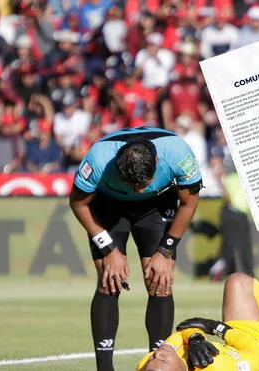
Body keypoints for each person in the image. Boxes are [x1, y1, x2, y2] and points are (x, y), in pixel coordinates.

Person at [69, 126, 204, 371]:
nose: (138, 190)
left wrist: (166, 251)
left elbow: (189, 202)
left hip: (157, 204)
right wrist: (108, 249)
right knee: (110, 281)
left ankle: (156, 362)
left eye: (144, 183)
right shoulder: (98, 158)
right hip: (109, 204)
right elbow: (78, 203)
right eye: (132, 183)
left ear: (157, 161)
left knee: (159, 281)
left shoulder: (178, 154)